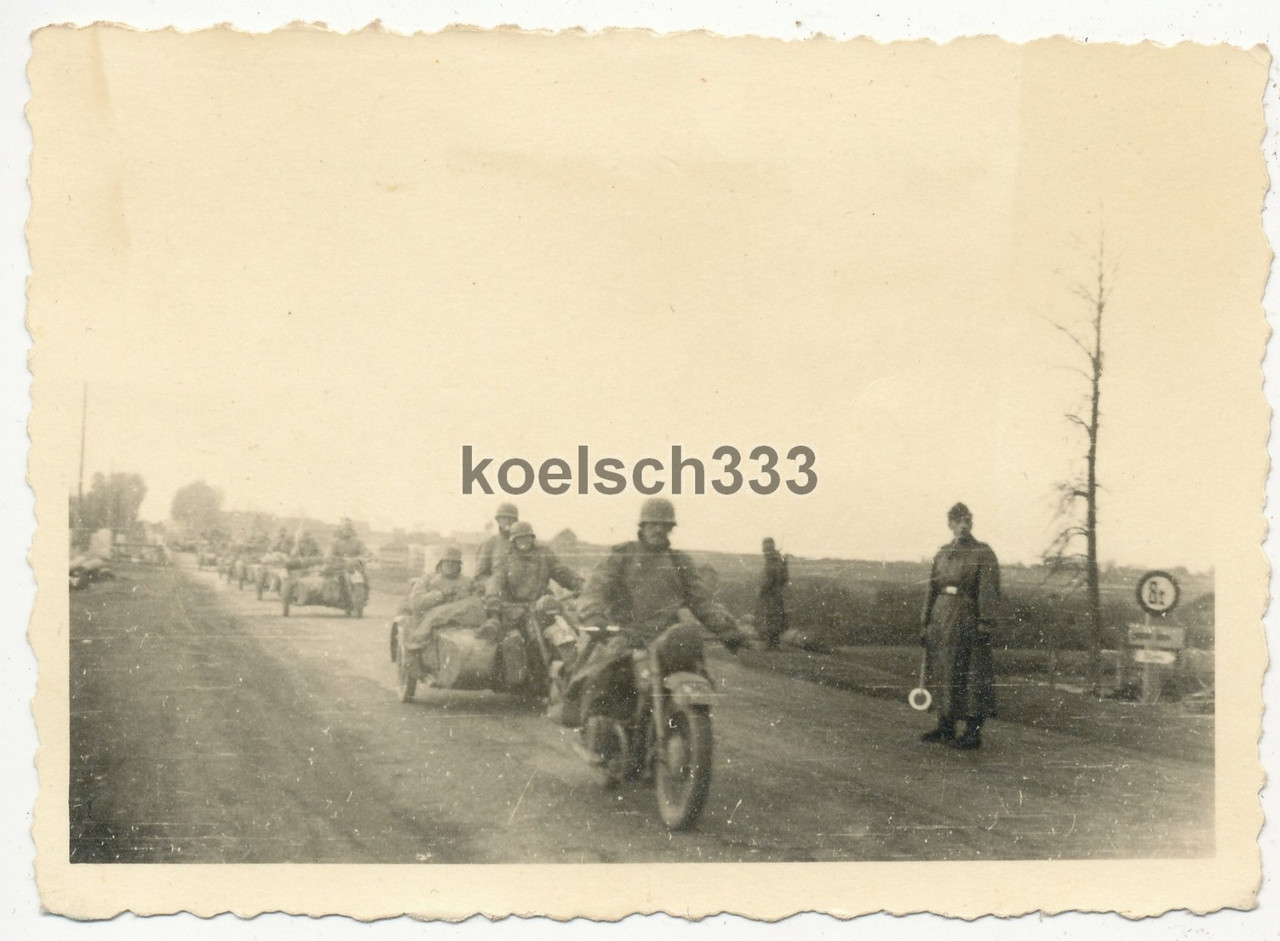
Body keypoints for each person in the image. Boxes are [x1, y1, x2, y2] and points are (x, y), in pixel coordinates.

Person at [561, 498, 750, 738]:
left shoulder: (679, 561)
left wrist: (727, 630)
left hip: (667, 639)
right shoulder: (623, 555)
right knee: (603, 678)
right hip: (625, 633)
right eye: (653, 524)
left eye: (665, 525)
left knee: (697, 673)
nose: (659, 530)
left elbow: (702, 601)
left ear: (671, 528)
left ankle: (680, 727)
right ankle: (602, 734)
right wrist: (594, 616)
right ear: (642, 526)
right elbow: (595, 589)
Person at [919, 502, 1001, 750]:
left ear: (971, 523)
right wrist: (925, 622)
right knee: (943, 670)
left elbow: (988, 590)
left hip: (967, 617)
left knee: (971, 672)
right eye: (958, 521)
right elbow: (931, 589)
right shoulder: (942, 554)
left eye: (967, 520)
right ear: (950, 524)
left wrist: (985, 622)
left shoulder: (982, 553)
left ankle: (972, 732)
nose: (963, 525)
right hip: (941, 618)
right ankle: (945, 726)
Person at [484, 520, 584, 669]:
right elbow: (496, 580)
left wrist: (578, 583)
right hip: (515, 610)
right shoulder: (505, 559)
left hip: (543, 606)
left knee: (568, 629)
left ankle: (573, 669)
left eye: (527, 537)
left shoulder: (544, 554)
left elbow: (560, 571)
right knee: (520, 640)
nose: (524, 541)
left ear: (533, 538)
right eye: (520, 538)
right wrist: (492, 597)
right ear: (513, 541)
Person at [473, 502, 519, 590]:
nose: (508, 521)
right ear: (498, 520)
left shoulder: (524, 542)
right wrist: (495, 584)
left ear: (516, 521)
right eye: (504, 518)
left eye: (511, 519)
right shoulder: (490, 543)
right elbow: (478, 576)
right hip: (496, 592)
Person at [757, 537, 790, 649]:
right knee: (772, 617)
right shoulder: (776, 559)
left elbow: (771, 577)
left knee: (771, 616)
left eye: (767, 547)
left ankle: (772, 643)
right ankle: (772, 642)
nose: (765, 550)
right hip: (773, 593)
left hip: (771, 593)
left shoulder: (773, 560)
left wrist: (763, 589)